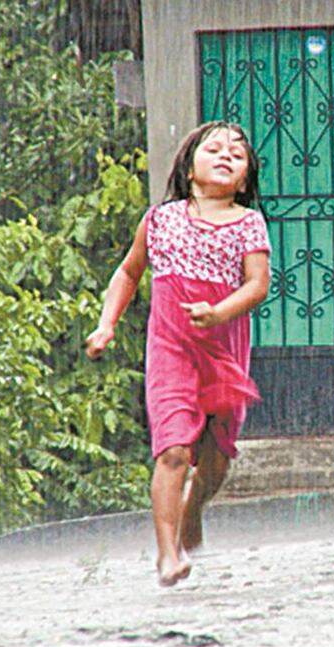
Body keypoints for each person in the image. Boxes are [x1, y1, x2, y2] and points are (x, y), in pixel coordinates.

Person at [85, 121, 271, 586]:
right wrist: (106, 324)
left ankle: (194, 509)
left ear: (244, 180)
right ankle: (168, 554)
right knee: (172, 450)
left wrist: (219, 311)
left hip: (223, 352)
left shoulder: (248, 223)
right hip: (171, 351)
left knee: (218, 453)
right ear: (189, 169)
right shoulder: (160, 219)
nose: (226, 155)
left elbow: (257, 285)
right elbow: (127, 274)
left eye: (238, 153)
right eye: (213, 149)